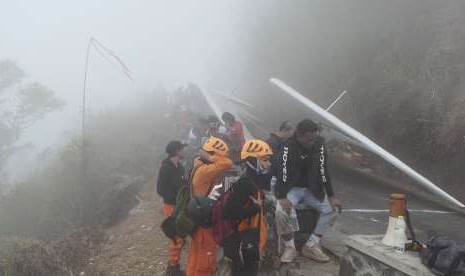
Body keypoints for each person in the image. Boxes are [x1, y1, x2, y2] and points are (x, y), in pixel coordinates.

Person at [275, 119, 342, 263]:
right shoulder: (288, 145)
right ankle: (290, 247)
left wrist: (331, 195)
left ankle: (311, 245)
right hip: (291, 189)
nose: (313, 141)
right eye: (310, 139)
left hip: (312, 189)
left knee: (333, 210)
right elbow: (282, 169)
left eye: (315, 137)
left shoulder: (319, 143)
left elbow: (323, 169)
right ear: (299, 134)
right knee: (280, 211)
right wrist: (281, 196)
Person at [223, 140, 273, 276]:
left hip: (248, 240)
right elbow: (227, 212)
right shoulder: (244, 184)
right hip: (241, 242)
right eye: (265, 160)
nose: (269, 164)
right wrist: (256, 208)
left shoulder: (252, 181)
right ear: (253, 160)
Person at [186, 137, 234, 276]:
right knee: (206, 260)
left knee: (195, 257)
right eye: (218, 156)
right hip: (205, 222)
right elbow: (227, 163)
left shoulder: (198, 166)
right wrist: (211, 156)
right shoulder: (204, 171)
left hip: (198, 219)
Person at [157, 141, 188, 276]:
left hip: (181, 206)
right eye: (182, 149)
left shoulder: (180, 167)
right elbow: (160, 189)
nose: (184, 151)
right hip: (171, 206)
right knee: (176, 237)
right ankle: (172, 268)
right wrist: (175, 199)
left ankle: (174, 265)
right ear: (176, 151)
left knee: (181, 235)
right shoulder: (166, 167)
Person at [265, 121, 295, 187]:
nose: (289, 138)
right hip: (270, 178)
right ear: (284, 131)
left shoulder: (279, 143)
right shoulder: (273, 143)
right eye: (289, 135)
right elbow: (275, 163)